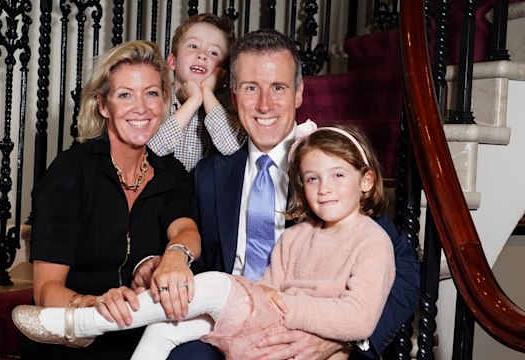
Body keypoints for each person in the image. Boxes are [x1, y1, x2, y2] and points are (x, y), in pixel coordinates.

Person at [12, 121, 396, 360]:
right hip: (266, 327)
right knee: (163, 329)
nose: (324, 189)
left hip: (294, 332)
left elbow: (360, 319)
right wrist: (270, 304)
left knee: (215, 283)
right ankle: (90, 323)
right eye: (312, 178)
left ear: (366, 181)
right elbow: (267, 291)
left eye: (338, 176)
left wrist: (287, 309)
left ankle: (87, 322)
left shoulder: (372, 241)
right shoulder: (297, 236)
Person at [164, 29, 421, 360]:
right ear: (233, 95)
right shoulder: (210, 174)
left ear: (299, 93)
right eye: (251, 88)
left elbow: (405, 270)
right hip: (231, 323)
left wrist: (340, 341)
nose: (265, 104)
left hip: (311, 331)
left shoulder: (332, 174)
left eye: (279, 88)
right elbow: (198, 261)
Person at [20, 40, 201, 360]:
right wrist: (93, 304)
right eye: (125, 95)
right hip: (77, 334)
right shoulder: (71, 172)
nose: (141, 107)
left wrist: (176, 254)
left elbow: (186, 228)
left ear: (163, 102)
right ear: (103, 105)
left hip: (144, 334)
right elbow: (46, 290)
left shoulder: (171, 173)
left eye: (152, 93)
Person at [147, 13, 246, 172]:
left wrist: (206, 92)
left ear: (223, 71)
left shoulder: (228, 103)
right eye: (193, 46)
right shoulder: (158, 98)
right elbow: (151, 151)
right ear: (172, 61)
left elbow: (230, 146)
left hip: (207, 195)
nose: (202, 55)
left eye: (214, 53)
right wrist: (194, 100)